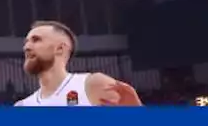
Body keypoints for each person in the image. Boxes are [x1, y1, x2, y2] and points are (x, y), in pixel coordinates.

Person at [15, 20, 143, 107]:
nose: (27, 47)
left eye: (36, 40)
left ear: (60, 48)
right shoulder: (22, 106)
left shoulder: (92, 84)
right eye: (26, 42)